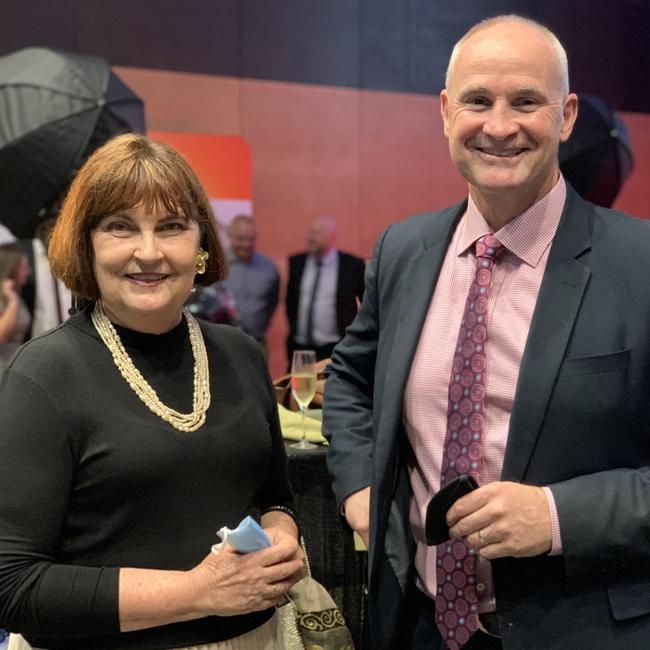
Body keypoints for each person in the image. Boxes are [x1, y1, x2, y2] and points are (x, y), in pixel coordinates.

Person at [324, 14, 650, 650]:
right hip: (415, 624)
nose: (499, 126)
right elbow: (350, 378)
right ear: (447, 112)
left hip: (581, 630)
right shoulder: (404, 249)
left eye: (526, 101)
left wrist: (558, 516)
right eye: (478, 100)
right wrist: (360, 487)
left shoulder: (640, 264)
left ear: (566, 115)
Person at [0, 133, 303, 650]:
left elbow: (275, 498)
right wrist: (197, 592)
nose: (149, 252)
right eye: (120, 227)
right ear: (86, 245)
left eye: (171, 227)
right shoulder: (42, 375)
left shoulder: (241, 354)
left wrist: (284, 537)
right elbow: (13, 585)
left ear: (201, 246)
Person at [286, 215, 365, 363]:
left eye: (316, 234)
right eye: (310, 233)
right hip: (300, 348)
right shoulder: (296, 263)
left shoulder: (352, 265)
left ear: (331, 237)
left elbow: (366, 303)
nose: (310, 238)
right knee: (298, 386)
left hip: (335, 348)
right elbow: (290, 303)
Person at [192, 215, 279, 347]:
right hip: (220, 345)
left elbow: (272, 302)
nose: (246, 244)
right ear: (229, 236)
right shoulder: (214, 265)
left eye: (251, 239)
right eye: (241, 238)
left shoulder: (269, 268)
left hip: (257, 343)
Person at [0, 243, 32, 371]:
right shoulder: (8, 298)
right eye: (23, 267)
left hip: (14, 363)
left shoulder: (17, 294)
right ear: (11, 269)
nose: (29, 271)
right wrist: (12, 302)